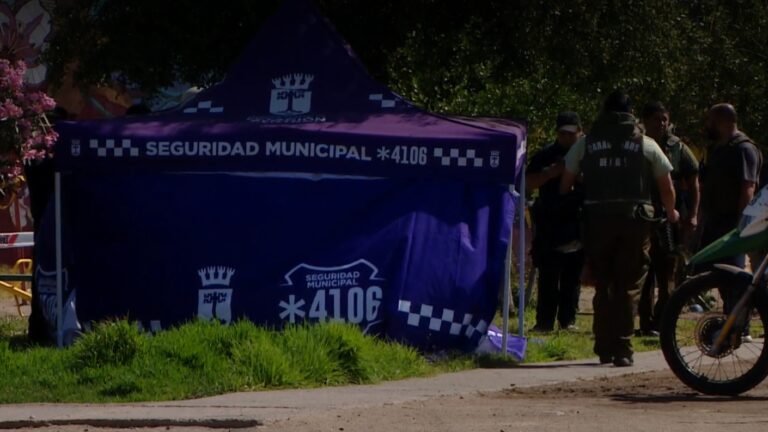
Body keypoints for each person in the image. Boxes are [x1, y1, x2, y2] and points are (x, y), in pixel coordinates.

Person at [560, 90, 678, 367]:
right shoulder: (645, 144)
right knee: (629, 285)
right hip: (635, 223)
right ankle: (623, 349)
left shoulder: (586, 143)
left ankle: (602, 346)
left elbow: (565, 184)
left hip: (597, 221)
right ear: (631, 113)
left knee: (603, 284)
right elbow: (666, 186)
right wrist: (671, 213)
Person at [637, 101, 700, 336]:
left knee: (668, 273)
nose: (661, 124)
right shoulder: (638, 145)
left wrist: (692, 215)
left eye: (664, 119)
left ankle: (664, 320)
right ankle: (645, 322)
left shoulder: (677, 147)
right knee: (644, 271)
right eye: (656, 119)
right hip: (643, 216)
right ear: (645, 121)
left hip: (669, 217)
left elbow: (694, 181)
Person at [526, 112, 585, 332]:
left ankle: (568, 320)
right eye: (563, 134)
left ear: (580, 133)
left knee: (572, 275)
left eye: (572, 134)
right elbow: (529, 182)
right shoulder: (546, 155)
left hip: (576, 220)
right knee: (548, 274)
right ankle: (544, 322)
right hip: (550, 221)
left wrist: (576, 174)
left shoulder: (586, 155)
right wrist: (552, 172)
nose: (567, 138)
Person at [698, 103, 762, 269]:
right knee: (703, 272)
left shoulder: (744, 149)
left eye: (710, 121)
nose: (707, 126)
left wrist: (740, 228)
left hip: (731, 223)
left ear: (723, 121)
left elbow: (748, 189)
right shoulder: (719, 149)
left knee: (730, 275)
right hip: (714, 222)